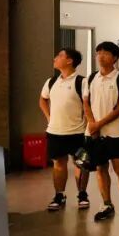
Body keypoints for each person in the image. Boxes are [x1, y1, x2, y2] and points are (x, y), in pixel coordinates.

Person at [39, 48, 91, 211]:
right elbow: (42, 100)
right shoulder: (51, 81)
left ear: (69, 61)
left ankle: (82, 194)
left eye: (60, 56)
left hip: (78, 133)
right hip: (55, 132)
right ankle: (59, 195)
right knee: (58, 164)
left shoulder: (82, 82)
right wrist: (49, 117)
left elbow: (88, 106)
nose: (55, 58)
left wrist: (88, 126)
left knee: (81, 163)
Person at [84, 41, 119, 221]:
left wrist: (99, 123)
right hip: (94, 132)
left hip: (116, 132)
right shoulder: (91, 78)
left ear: (115, 57)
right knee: (100, 168)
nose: (100, 56)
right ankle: (107, 204)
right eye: (98, 53)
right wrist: (92, 124)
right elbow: (86, 102)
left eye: (105, 53)